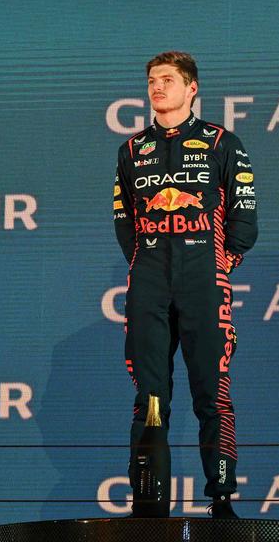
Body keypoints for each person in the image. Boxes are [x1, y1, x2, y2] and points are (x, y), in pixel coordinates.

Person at [114, 51, 258, 518]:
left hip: (204, 280)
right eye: (152, 80)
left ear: (191, 87)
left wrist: (216, 263)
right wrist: (148, 262)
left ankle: (220, 497)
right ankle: (148, 502)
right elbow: (124, 224)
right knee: (150, 396)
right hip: (149, 282)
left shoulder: (221, 142)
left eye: (168, 80)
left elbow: (244, 222)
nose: (157, 87)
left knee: (211, 389)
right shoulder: (132, 150)